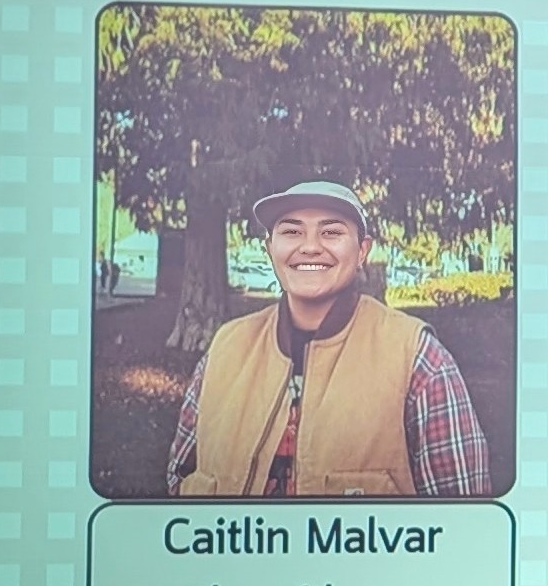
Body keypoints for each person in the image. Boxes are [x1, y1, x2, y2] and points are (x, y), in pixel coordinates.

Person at [168, 181, 492, 497]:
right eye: (291, 231)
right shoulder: (225, 349)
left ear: (362, 250)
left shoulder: (417, 357)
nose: (310, 246)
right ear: (269, 249)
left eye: (331, 232)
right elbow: (176, 485)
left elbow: (465, 521)